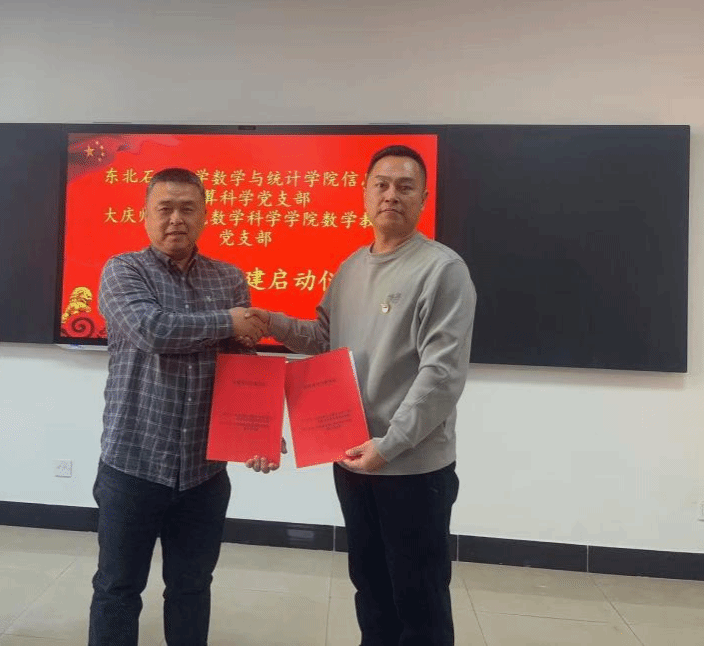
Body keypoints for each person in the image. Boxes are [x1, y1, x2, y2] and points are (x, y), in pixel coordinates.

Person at [249, 145, 476, 646]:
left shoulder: (442, 270)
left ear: (423, 199)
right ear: (365, 194)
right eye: (382, 184)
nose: (392, 195)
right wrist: (270, 322)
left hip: (411, 468)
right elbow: (324, 338)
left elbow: (441, 376)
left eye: (405, 186)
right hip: (352, 456)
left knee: (419, 600)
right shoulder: (351, 266)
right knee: (370, 589)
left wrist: (390, 445)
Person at [89, 167, 271, 646]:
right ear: (145, 216)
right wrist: (227, 322)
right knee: (117, 589)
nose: (176, 219)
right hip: (132, 465)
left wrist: (259, 430)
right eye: (164, 209)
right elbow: (152, 330)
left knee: (192, 589)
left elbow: (241, 362)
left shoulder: (229, 279)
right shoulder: (123, 270)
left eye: (187, 208)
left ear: (205, 215)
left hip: (203, 472)